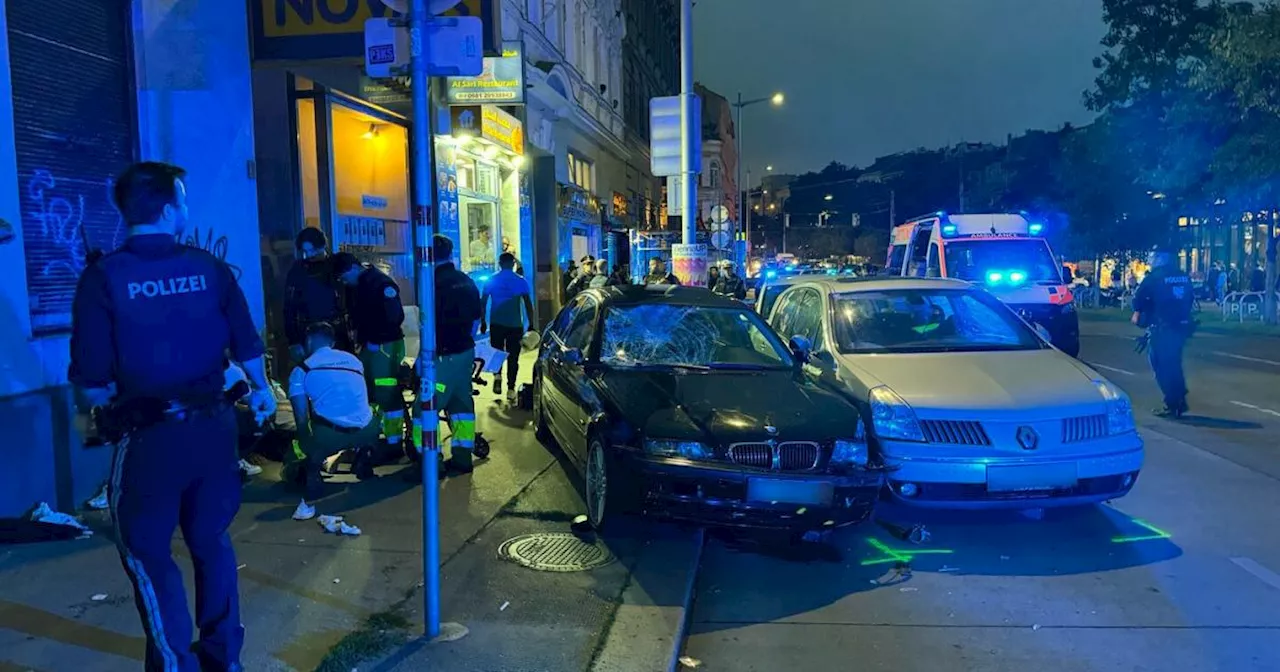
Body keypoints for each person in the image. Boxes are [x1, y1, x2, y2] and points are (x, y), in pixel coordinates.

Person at [69, 161, 275, 672]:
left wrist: (92, 431)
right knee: (210, 541)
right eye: (182, 201)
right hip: (214, 434)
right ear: (168, 208)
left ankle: (175, 663)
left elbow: (90, 386)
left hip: (149, 441)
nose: (186, 209)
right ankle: (224, 659)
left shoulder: (103, 278)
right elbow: (248, 347)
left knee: (146, 552)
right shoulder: (209, 268)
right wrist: (264, 392)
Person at [286, 322, 381, 521]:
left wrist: (306, 445)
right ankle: (364, 457)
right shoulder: (354, 361)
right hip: (369, 430)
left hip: (330, 437)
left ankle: (312, 471)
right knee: (368, 414)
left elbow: (301, 418)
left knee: (298, 446)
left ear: (309, 341)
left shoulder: (302, 370)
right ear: (333, 342)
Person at [410, 234, 484, 479]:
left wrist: (423, 358)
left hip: (442, 357)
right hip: (464, 352)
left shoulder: (431, 284)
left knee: (424, 411)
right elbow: (476, 320)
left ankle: (432, 463)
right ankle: (463, 458)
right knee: (461, 405)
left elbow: (427, 324)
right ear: (451, 253)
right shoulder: (466, 281)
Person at [333, 253, 407, 460]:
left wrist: (376, 338)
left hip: (386, 345)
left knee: (387, 394)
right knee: (369, 393)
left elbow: (395, 317)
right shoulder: (357, 286)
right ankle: (373, 439)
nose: (343, 282)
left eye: (343, 277)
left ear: (352, 268)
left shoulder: (381, 283)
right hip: (370, 345)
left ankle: (394, 443)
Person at [1131, 244, 1195, 418]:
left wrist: (1138, 314)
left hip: (1162, 328)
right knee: (1174, 363)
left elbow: (1139, 297)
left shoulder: (1154, 277)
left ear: (1160, 258)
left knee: (1160, 365)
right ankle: (1179, 399)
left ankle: (1173, 403)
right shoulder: (1182, 276)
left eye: (1153, 256)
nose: (1150, 260)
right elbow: (1190, 298)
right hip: (1181, 326)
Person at [283, 227, 349, 362]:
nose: (309, 255)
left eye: (312, 250)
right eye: (305, 251)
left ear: (322, 246)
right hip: (309, 332)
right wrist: (293, 340)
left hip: (337, 331)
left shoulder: (336, 265)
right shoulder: (298, 270)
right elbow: (289, 307)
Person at [479, 252, 539, 402]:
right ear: (513, 264)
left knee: (497, 352)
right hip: (514, 325)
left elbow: (483, 302)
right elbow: (528, 304)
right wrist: (531, 324)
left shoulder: (492, 280)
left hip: (496, 323)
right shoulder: (520, 281)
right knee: (513, 357)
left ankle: (497, 375)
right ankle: (511, 388)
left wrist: (483, 321)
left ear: (499, 263)